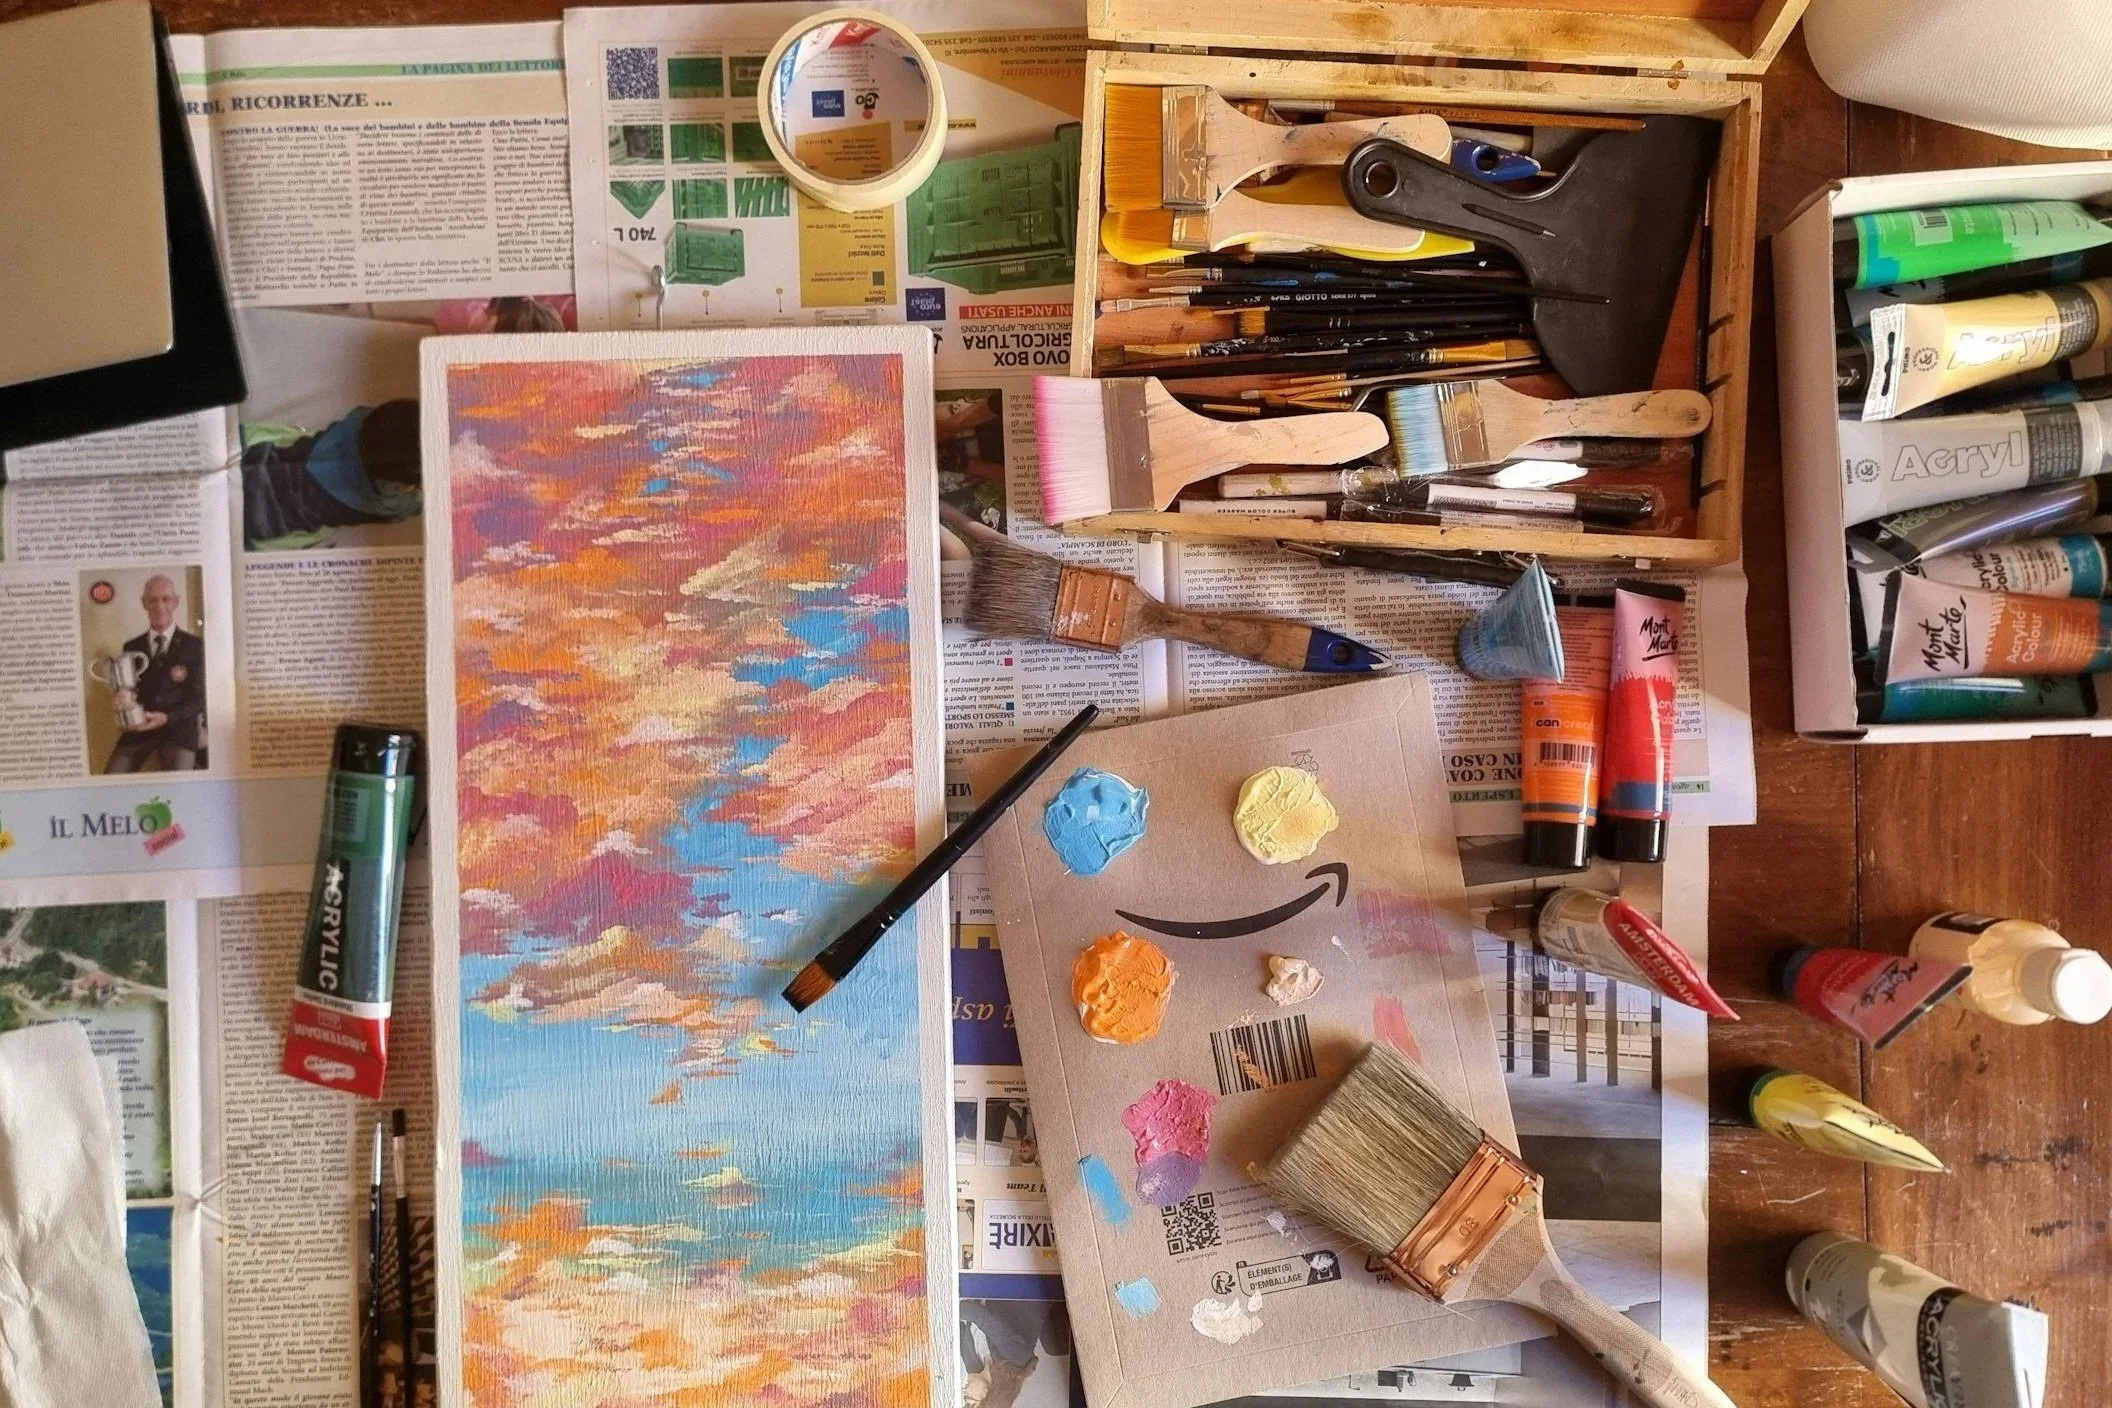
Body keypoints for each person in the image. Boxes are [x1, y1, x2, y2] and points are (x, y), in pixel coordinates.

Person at [104, 575, 206, 773]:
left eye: (166, 599)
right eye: (152, 600)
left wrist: (168, 717)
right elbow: (130, 690)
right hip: (141, 728)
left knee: (179, 787)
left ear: (176, 602)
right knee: (111, 777)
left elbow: (201, 699)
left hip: (179, 729)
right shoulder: (131, 646)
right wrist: (123, 701)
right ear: (144, 603)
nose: (159, 606)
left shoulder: (195, 646)